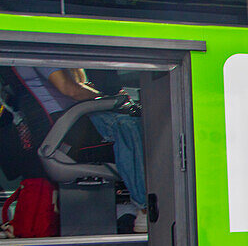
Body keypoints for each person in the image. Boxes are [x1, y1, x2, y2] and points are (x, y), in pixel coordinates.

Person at [12, 66, 148, 232]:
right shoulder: (42, 50)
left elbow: (80, 82)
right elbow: (71, 90)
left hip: (72, 122)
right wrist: (110, 98)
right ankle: (144, 206)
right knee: (129, 125)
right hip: (70, 127)